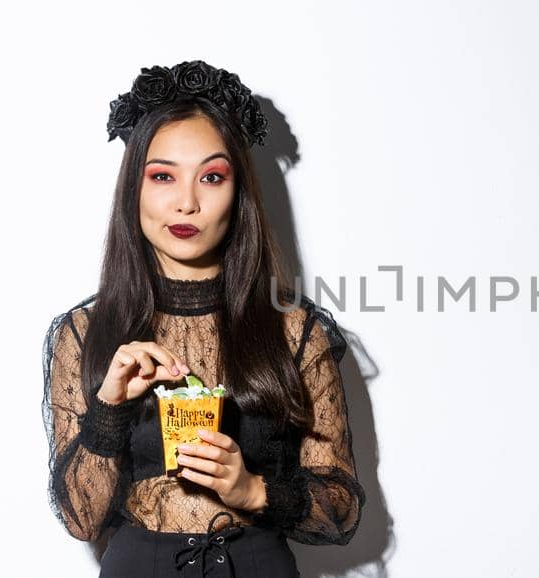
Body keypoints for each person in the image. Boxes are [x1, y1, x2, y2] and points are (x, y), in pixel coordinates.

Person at [41, 60, 364, 577]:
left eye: (211, 177)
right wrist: (109, 408)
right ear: (135, 190)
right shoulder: (85, 333)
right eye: (163, 176)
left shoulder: (295, 330)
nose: (186, 202)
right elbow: (81, 519)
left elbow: (341, 509)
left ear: (238, 195)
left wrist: (253, 491)